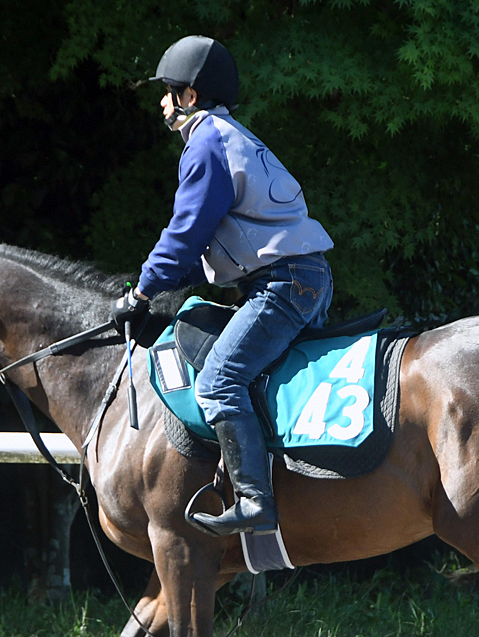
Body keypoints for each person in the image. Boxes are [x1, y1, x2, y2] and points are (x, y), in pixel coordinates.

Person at [111, 35, 335, 538]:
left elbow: (184, 233)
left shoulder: (206, 141)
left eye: (168, 90)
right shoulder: (232, 135)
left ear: (190, 95)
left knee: (218, 382)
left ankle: (256, 500)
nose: (162, 101)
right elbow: (207, 245)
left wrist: (140, 294)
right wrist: (163, 291)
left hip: (282, 285)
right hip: (304, 279)